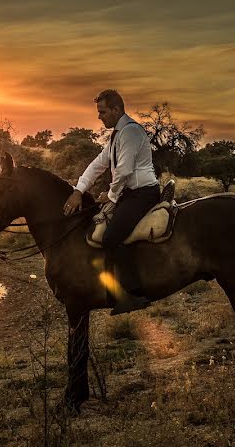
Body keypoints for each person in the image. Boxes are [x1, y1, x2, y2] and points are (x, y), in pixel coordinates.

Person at [62, 89, 160, 315]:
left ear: (117, 109)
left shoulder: (131, 132)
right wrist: (78, 190)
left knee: (111, 237)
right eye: (99, 112)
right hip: (130, 193)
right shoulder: (117, 134)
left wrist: (111, 195)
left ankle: (133, 294)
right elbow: (98, 164)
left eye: (103, 112)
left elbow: (124, 171)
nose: (99, 116)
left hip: (142, 193)